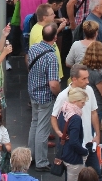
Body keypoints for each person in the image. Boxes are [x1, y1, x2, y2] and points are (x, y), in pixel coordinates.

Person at [51, 65, 100, 174]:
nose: (87, 81)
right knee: (73, 175)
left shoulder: (90, 90)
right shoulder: (63, 96)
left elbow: (94, 112)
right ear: (74, 79)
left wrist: (97, 134)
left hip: (89, 142)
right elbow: (54, 116)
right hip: (73, 146)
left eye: (88, 78)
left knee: (97, 174)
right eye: (84, 79)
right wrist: (59, 133)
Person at [28, 24, 62, 172]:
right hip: (45, 96)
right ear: (55, 37)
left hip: (32, 92)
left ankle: (30, 156)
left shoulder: (34, 48)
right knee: (43, 128)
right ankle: (41, 162)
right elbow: (53, 84)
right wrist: (59, 95)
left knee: (34, 124)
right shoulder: (51, 56)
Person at [54, 86, 90, 181]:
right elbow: (74, 142)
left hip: (64, 153)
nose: (84, 104)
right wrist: (84, 152)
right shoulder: (75, 118)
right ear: (75, 101)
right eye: (82, 102)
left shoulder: (64, 110)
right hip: (73, 159)